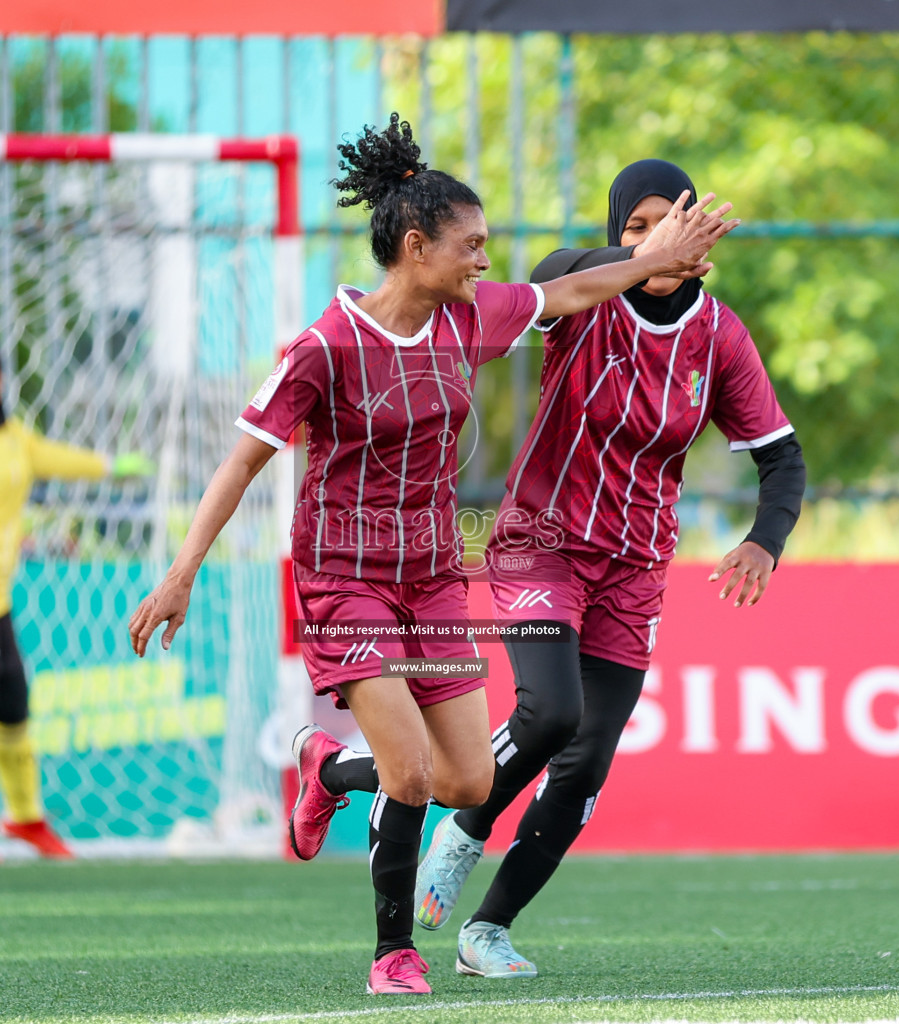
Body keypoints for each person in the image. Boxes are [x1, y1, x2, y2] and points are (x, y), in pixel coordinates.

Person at [127, 116, 735, 995]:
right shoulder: (324, 349)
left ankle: (326, 767)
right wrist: (182, 571)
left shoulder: (472, 319)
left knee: (466, 778)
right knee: (411, 772)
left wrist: (652, 260)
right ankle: (391, 953)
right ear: (417, 247)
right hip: (343, 581)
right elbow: (244, 460)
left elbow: (570, 293)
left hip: (434, 581)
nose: (487, 262)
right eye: (472, 245)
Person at [285, 158, 799, 979]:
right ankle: (461, 828)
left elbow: (783, 460)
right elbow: (552, 276)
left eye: (673, 224)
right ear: (617, 233)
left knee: (587, 763)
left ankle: (485, 930)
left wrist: (763, 540)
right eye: (636, 226)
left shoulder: (721, 337)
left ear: (704, 236)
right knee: (551, 713)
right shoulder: (584, 297)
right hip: (541, 542)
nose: (656, 239)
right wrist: (638, 258)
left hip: (636, 566)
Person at [0, 335, 152, 865]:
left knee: (13, 701)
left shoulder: (11, 437)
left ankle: (23, 818)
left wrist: (114, 467)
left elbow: (56, 459)